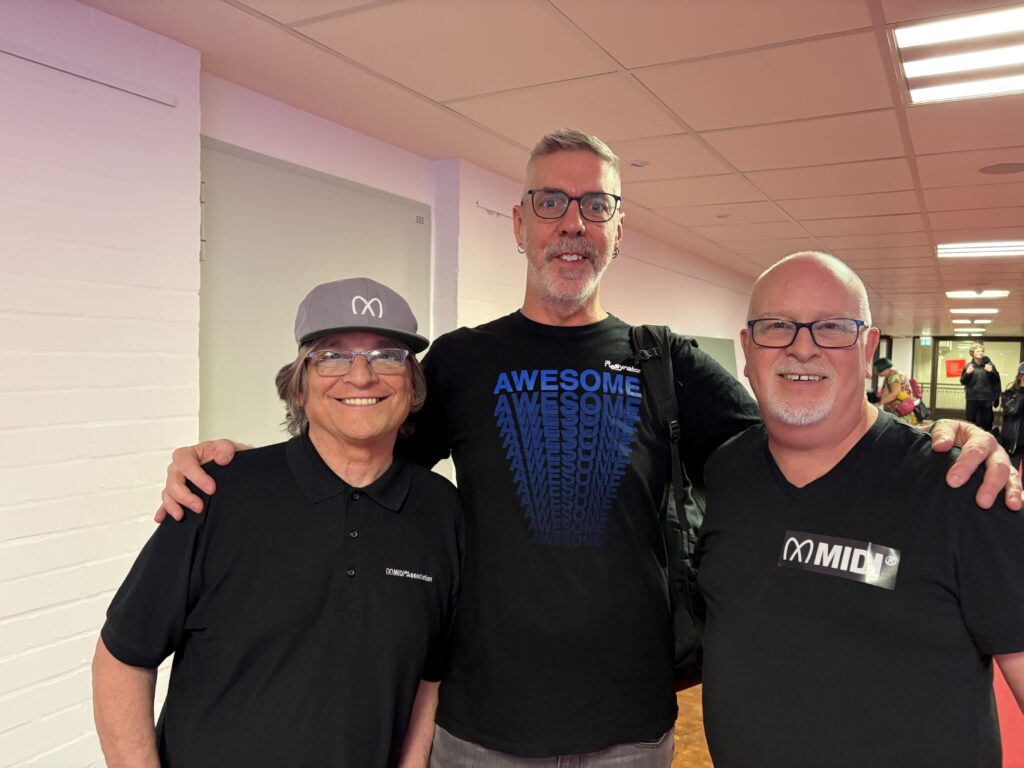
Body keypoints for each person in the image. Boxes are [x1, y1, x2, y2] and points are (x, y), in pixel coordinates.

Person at [155, 131, 1019, 765]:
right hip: (479, 724)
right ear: (521, 226)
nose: (572, 223)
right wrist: (244, 463)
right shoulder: (459, 361)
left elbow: (807, 433)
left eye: (594, 205)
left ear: (616, 227)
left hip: (630, 726)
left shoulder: (663, 360)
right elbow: (358, 455)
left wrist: (939, 440)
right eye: (551, 203)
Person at [92, 278, 463, 768]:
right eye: (331, 355)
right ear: (300, 383)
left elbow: (428, 678)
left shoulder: (441, 512)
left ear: (411, 383)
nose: (361, 376)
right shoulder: (218, 494)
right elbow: (122, 657)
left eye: (387, 355)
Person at [697, 252, 1024, 767]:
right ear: (746, 349)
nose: (802, 347)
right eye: (777, 326)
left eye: (831, 327)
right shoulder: (725, 474)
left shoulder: (963, 490)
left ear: (868, 348)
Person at [961, 341, 1001, 431]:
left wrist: (991, 372)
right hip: (972, 398)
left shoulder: (989, 365)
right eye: (978, 351)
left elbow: (996, 380)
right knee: (970, 422)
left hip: (986, 398)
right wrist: (967, 373)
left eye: (981, 351)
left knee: (987, 422)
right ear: (972, 353)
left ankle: (986, 441)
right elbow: (963, 381)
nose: (981, 353)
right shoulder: (968, 366)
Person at [873, 356, 918, 425]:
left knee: (903, 430)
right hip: (900, 408)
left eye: (880, 372)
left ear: (886, 369)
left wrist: (879, 403)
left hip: (903, 409)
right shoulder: (890, 376)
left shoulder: (895, 376)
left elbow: (895, 394)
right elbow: (884, 392)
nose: (879, 374)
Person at [999, 363, 1024, 473]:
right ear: (1020, 377)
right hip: (1014, 442)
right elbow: (1014, 410)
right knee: (1011, 475)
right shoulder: (1009, 394)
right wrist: (1021, 391)